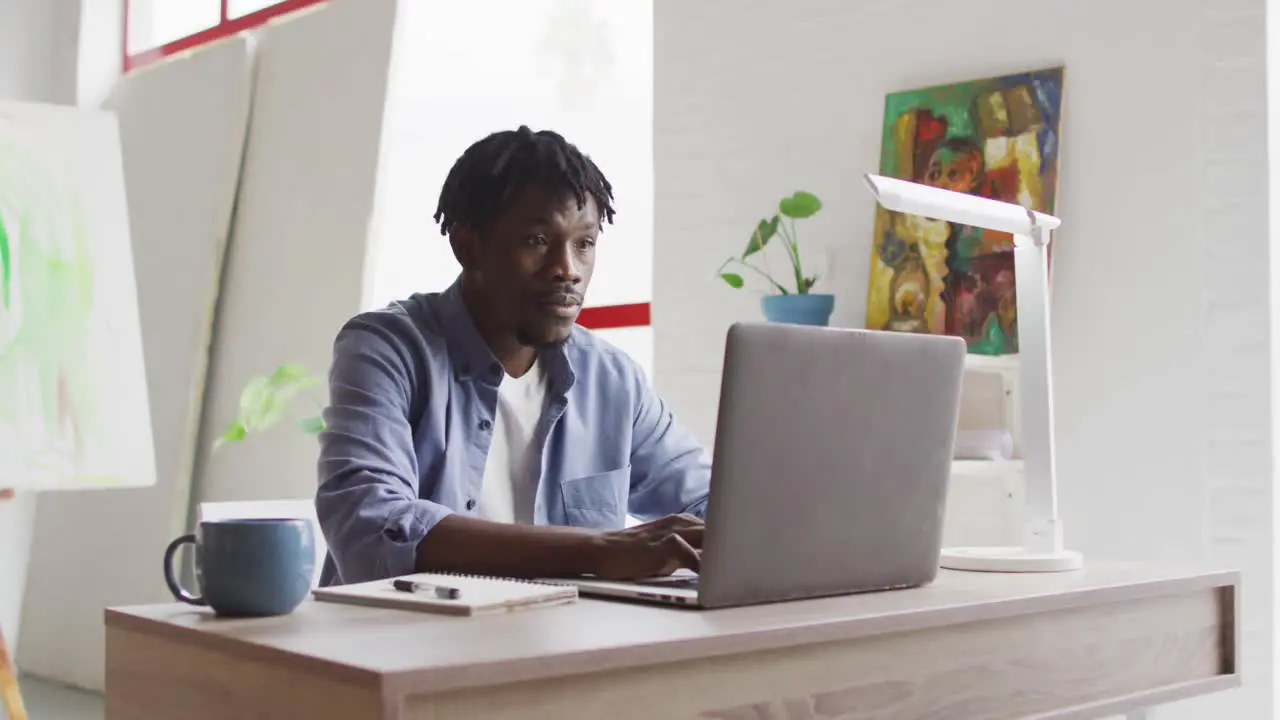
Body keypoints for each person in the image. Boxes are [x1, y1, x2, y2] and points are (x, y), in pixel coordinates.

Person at [316, 127, 711, 586]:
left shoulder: (613, 380)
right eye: (538, 240)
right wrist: (600, 550)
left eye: (584, 244)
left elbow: (709, 503)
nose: (568, 269)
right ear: (468, 245)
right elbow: (372, 526)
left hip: (560, 651)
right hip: (403, 645)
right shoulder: (389, 350)